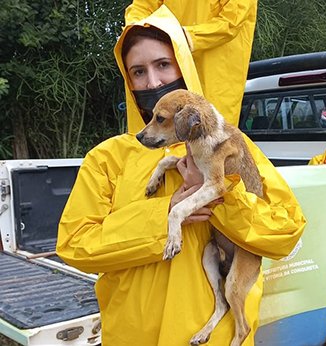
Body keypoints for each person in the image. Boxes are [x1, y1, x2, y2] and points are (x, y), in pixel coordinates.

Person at [56, 5, 305, 346]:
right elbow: (75, 245)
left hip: (215, 337)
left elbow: (286, 231)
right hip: (134, 337)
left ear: (184, 65)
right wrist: (165, 212)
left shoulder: (232, 145)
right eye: (138, 71)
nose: (153, 81)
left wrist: (218, 198)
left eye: (163, 65)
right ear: (128, 80)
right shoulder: (107, 158)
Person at [124, 0, 258, 126]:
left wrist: (184, 37)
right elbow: (141, 8)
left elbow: (232, 20)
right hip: (166, 69)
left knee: (209, 135)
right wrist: (139, 32)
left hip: (214, 75)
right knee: (154, 134)